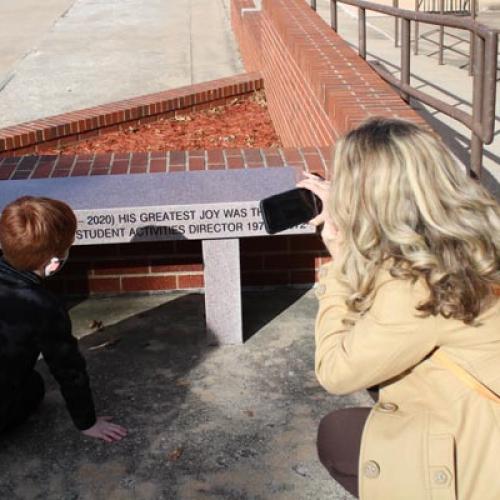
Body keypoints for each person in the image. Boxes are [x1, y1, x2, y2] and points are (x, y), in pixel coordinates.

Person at [298, 117, 500, 499]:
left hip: (483, 454)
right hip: (483, 407)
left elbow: (336, 372)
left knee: (338, 436)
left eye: (346, 184)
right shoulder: (476, 234)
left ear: (372, 196)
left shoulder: (420, 287)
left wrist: (340, 261)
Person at [0, 196, 127, 443]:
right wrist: (87, 422)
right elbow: (68, 369)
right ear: (54, 264)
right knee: (34, 385)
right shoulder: (44, 306)